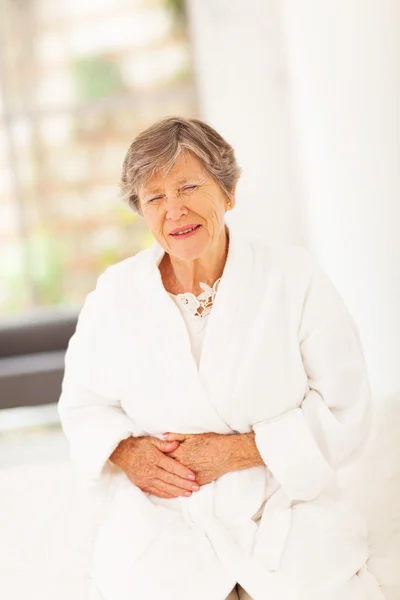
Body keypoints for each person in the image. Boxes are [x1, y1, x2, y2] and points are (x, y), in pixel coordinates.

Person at [58, 117, 385, 600]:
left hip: (284, 508)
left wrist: (238, 452)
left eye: (189, 186)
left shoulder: (293, 277)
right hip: (167, 518)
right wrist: (128, 453)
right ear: (143, 213)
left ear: (228, 191)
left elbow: (346, 407)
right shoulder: (115, 295)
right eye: (155, 198)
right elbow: (83, 407)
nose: (175, 210)